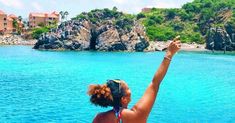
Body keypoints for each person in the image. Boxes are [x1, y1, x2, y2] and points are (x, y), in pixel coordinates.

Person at [87, 37, 181, 123]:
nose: (130, 90)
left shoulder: (99, 118)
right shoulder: (136, 116)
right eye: (128, 89)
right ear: (124, 99)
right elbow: (154, 84)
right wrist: (169, 54)